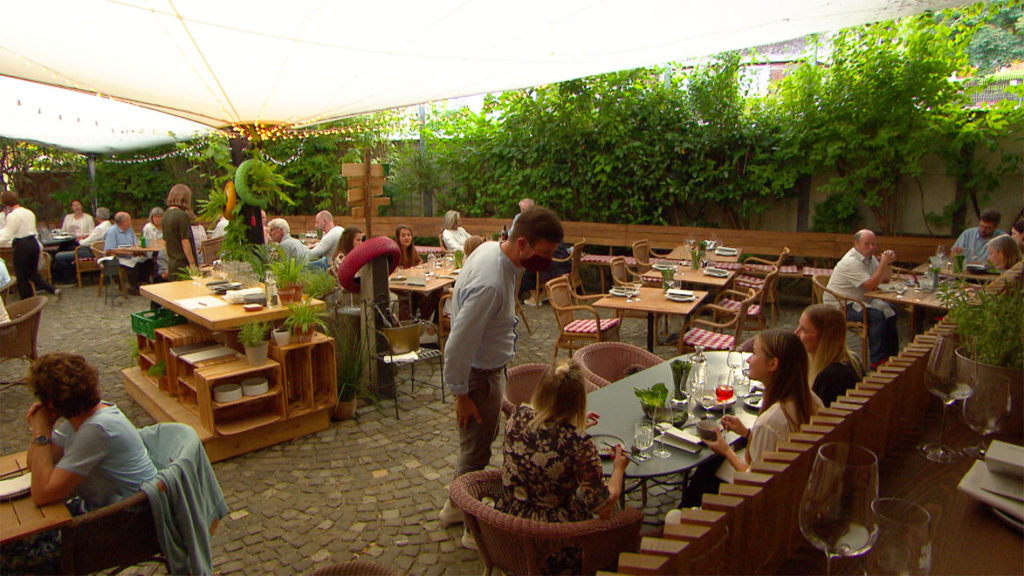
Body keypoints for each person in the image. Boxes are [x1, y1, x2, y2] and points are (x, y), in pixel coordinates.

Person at [438, 206, 563, 546]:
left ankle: (453, 508)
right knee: (476, 453)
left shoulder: (495, 251)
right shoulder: (490, 284)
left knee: (477, 445)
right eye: (544, 254)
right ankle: (473, 531)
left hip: (489, 371)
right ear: (522, 243)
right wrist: (461, 396)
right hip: (479, 377)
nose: (548, 262)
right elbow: (457, 345)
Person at [3, 353, 158, 574]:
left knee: (12, 560)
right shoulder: (82, 418)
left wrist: (40, 432)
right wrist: (43, 431)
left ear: (50, 404)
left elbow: (42, 494)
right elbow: (34, 465)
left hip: (128, 526)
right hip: (105, 513)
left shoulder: (97, 429)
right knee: (15, 544)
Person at [496, 360, 628, 572]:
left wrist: (571, 423)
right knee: (619, 514)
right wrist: (619, 468)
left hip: (506, 527)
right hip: (552, 539)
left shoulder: (517, 415)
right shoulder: (578, 443)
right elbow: (603, 507)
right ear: (579, 401)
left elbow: (544, 433)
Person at [706, 330, 823, 475]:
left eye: (755, 353)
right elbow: (778, 443)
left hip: (771, 485)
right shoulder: (812, 399)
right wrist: (747, 433)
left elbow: (754, 480)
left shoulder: (769, 422)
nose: (749, 360)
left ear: (772, 364)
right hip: (795, 477)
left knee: (707, 470)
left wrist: (726, 451)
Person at [825, 229, 898, 367]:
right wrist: (882, 264)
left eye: (873, 244)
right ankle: (877, 361)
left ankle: (892, 356)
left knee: (891, 310)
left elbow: (885, 279)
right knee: (877, 316)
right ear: (856, 244)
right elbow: (871, 285)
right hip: (841, 304)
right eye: (867, 244)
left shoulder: (869, 259)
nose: (871, 247)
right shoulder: (851, 261)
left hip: (861, 300)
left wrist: (887, 263)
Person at [796, 304, 863, 407]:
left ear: (824, 338)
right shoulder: (852, 360)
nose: (796, 332)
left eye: (804, 330)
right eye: (798, 326)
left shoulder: (830, 377)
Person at [0, 191, 60, 300]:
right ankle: (52, 289)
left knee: (22, 277)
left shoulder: (12, 216)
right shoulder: (29, 212)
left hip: (22, 245)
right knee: (32, 273)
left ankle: (28, 301)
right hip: (33, 243)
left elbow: (7, 234)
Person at [53, 207, 113, 285]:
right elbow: (93, 237)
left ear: (97, 216)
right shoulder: (109, 225)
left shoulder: (100, 228)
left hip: (93, 252)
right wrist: (86, 237)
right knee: (67, 248)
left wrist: (80, 240)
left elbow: (85, 243)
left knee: (59, 256)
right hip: (101, 250)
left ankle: (69, 279)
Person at [104, 212, 155, 295]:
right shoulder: (112, 231)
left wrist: (138, 250)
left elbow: (135, 243)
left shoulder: (129, 230)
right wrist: (127, 253)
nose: (131, 221)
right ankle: (134, 287)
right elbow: (110, 250)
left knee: (148, 261)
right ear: (124, 222)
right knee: (133, 264)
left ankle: (144, 283)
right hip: (118, 257)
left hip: (131, 254)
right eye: (129, 220)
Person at [163, 184, 197, 280]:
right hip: (183, 263)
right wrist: (192, 263)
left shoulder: (165, 215)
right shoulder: (182, 216)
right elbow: (185, 241)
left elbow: (165, 242)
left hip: (172, 263)